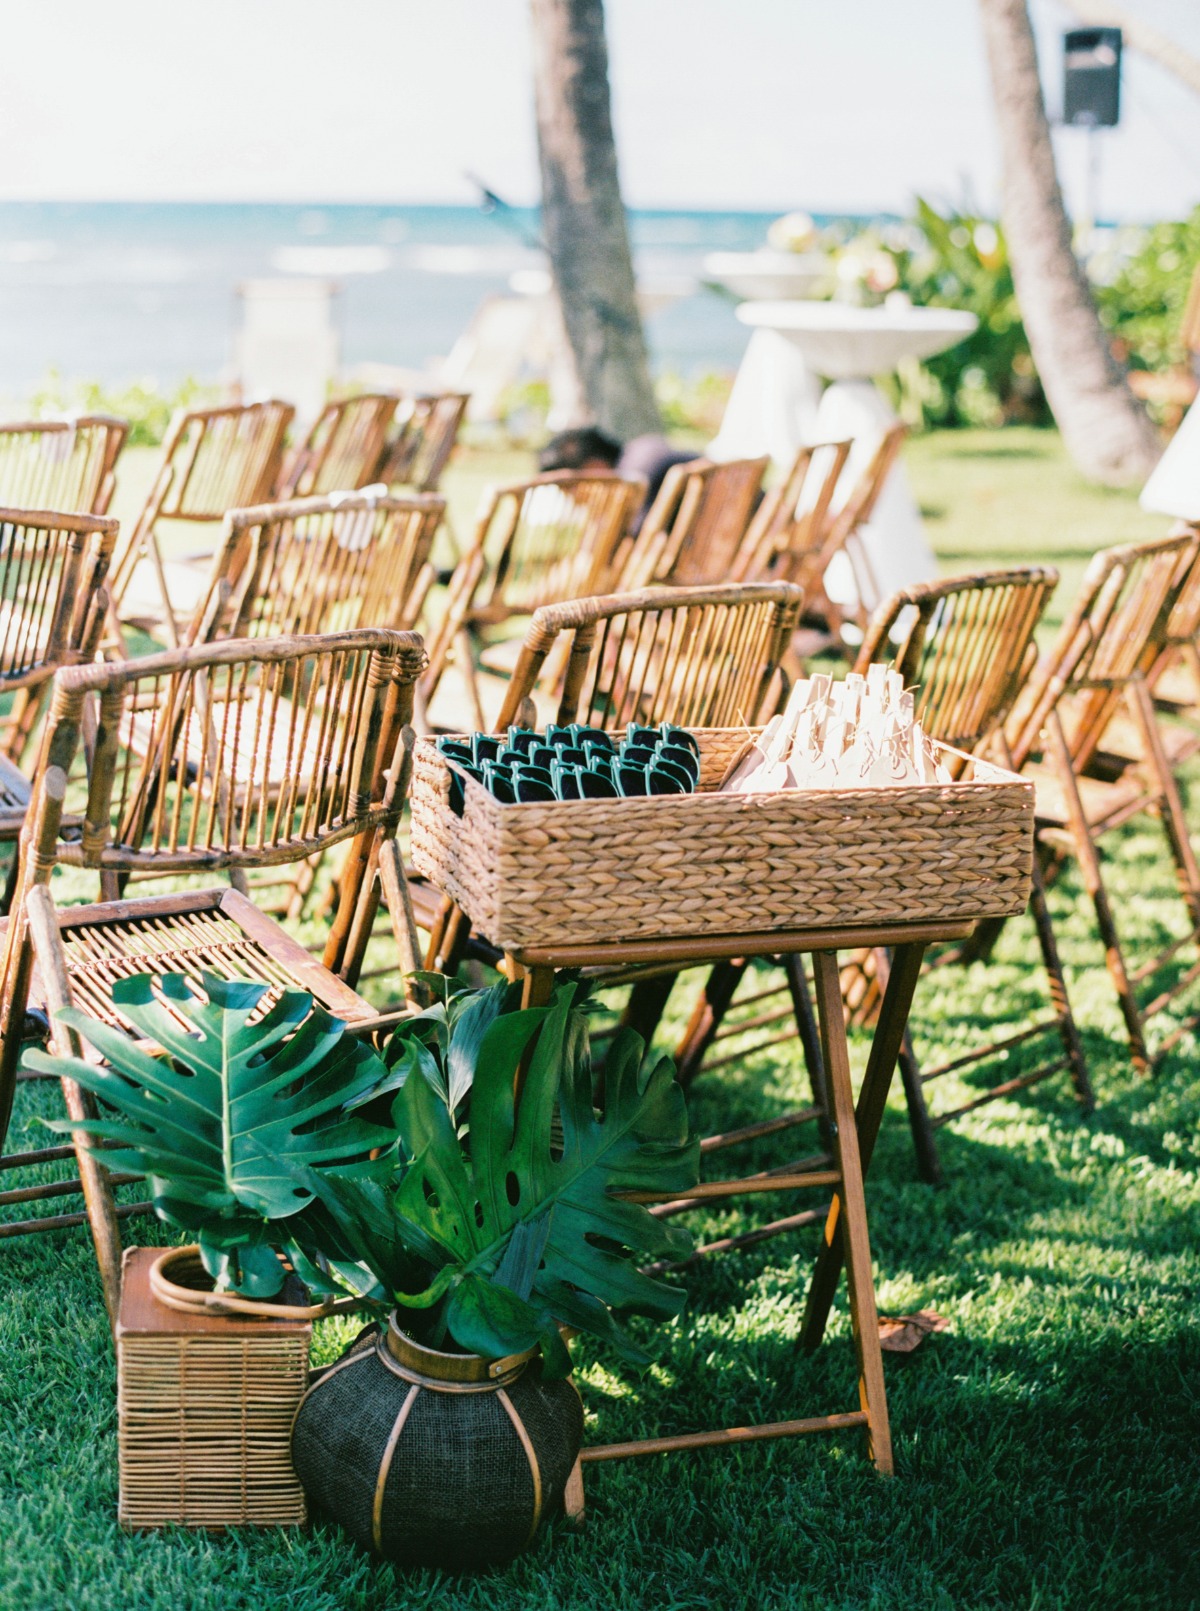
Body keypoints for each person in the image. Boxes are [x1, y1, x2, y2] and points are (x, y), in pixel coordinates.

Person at [537, 426, 698, 532]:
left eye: (570, 490)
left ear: (595, 467)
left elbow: (634, 533)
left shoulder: (639, 472)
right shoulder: (642, 451)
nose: (575, 501)